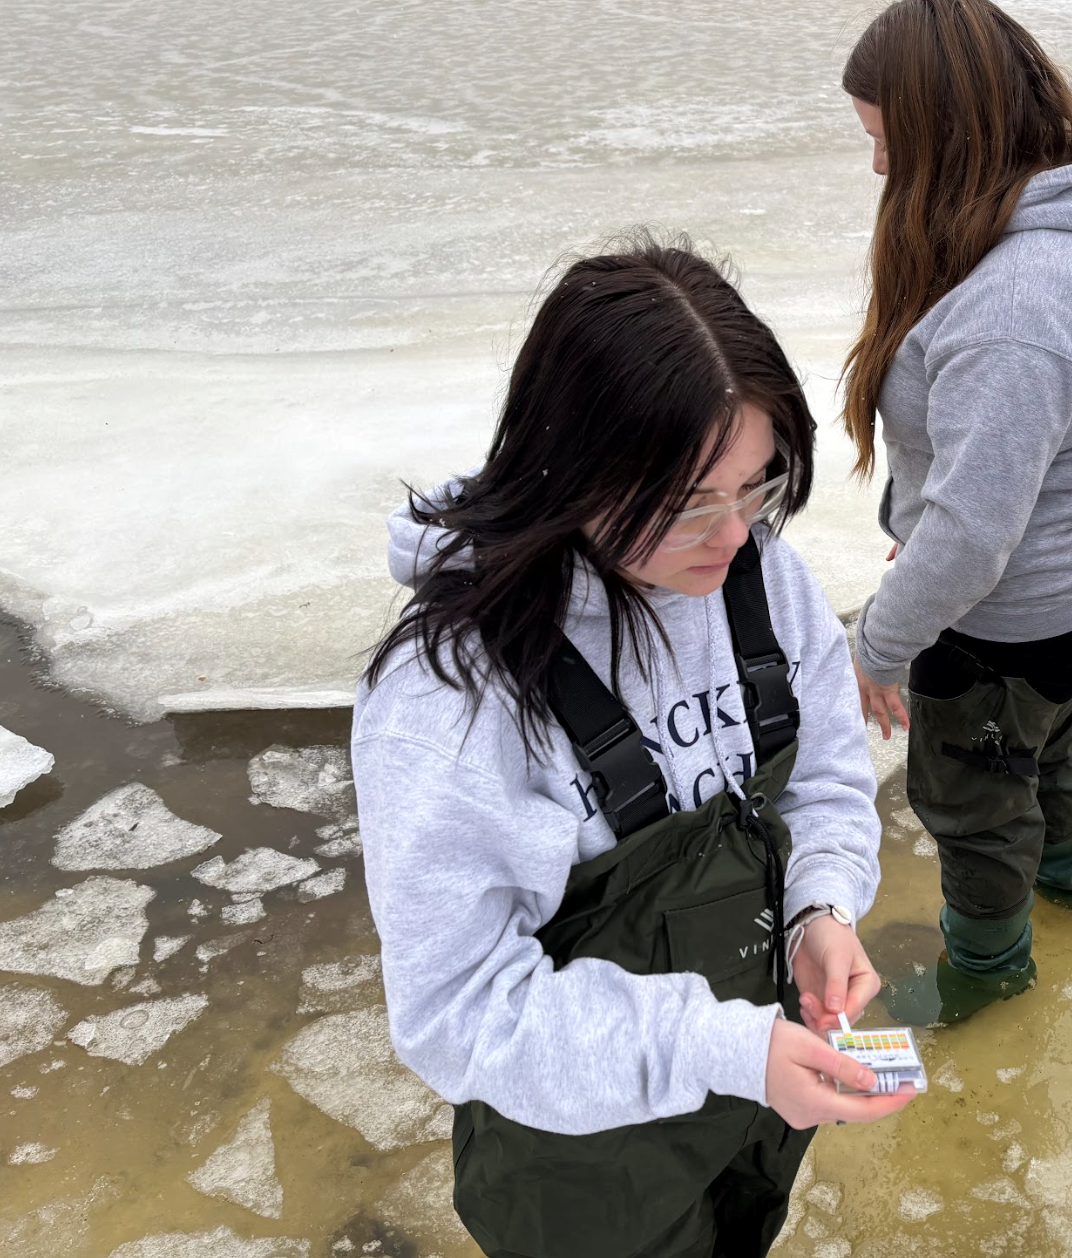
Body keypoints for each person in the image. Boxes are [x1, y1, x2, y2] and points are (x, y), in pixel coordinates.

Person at [351, 238, 915, 1258]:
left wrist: (817, 909)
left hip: (754, 1094)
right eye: (691, 500)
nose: (735, 533)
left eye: (758, 485)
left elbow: (825, 777)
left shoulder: (761, 582)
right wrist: (720, 1045)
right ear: (570, 466)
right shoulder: (455, 689)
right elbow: (456, 1005)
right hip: (580, 1155)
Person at [841, 0, 1072, 1023]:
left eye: (886, 145)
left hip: (1016, 614)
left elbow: (975, 536)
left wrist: (879, 644)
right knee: (1054, 739)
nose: (878, 171)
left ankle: (985, 978)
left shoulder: (1021, 299)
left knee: (973, 800)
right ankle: (1071, 884)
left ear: (947, 134)